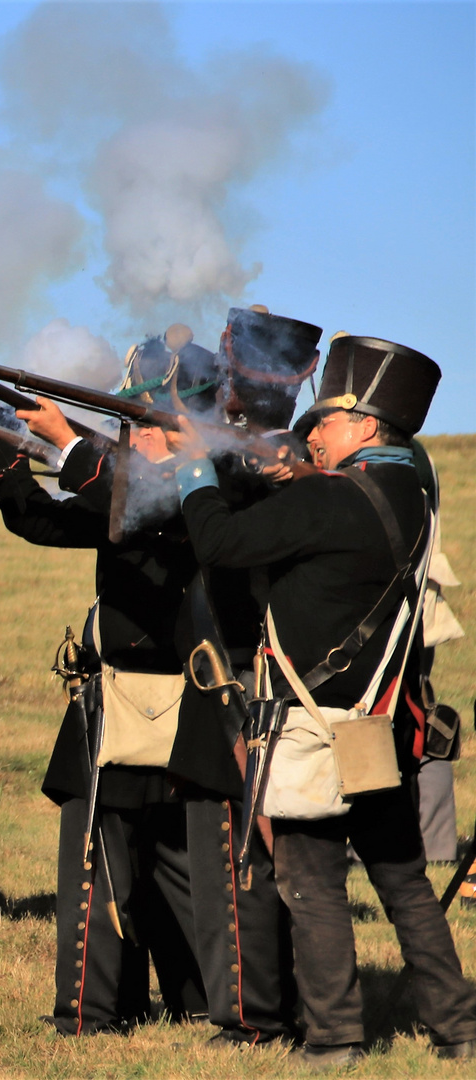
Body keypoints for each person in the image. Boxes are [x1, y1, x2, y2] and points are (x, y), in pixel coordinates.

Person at [0, 347, 295, 1042]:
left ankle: (243, 1017)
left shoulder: (218, 488)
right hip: (117, 697)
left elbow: (146, 507)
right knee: (98, 861)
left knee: (221, 874)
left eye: (148, 421)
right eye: (131, 422)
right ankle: (94, 1010)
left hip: (204, 700)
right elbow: (43, 521)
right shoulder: (134, 491)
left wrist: (69, 443)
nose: (135, 434)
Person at [174, 334, 476, 1068]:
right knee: (403, 882)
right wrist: (291, 476)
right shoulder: (410, 488)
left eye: (329, 424)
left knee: (311, 884)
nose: (315, 434)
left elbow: (217, 541)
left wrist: (189, 466)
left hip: (310, 727)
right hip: (371, 726)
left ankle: (336, 1035)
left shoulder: (333, 498)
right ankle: (458, 1026)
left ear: (367, 428)